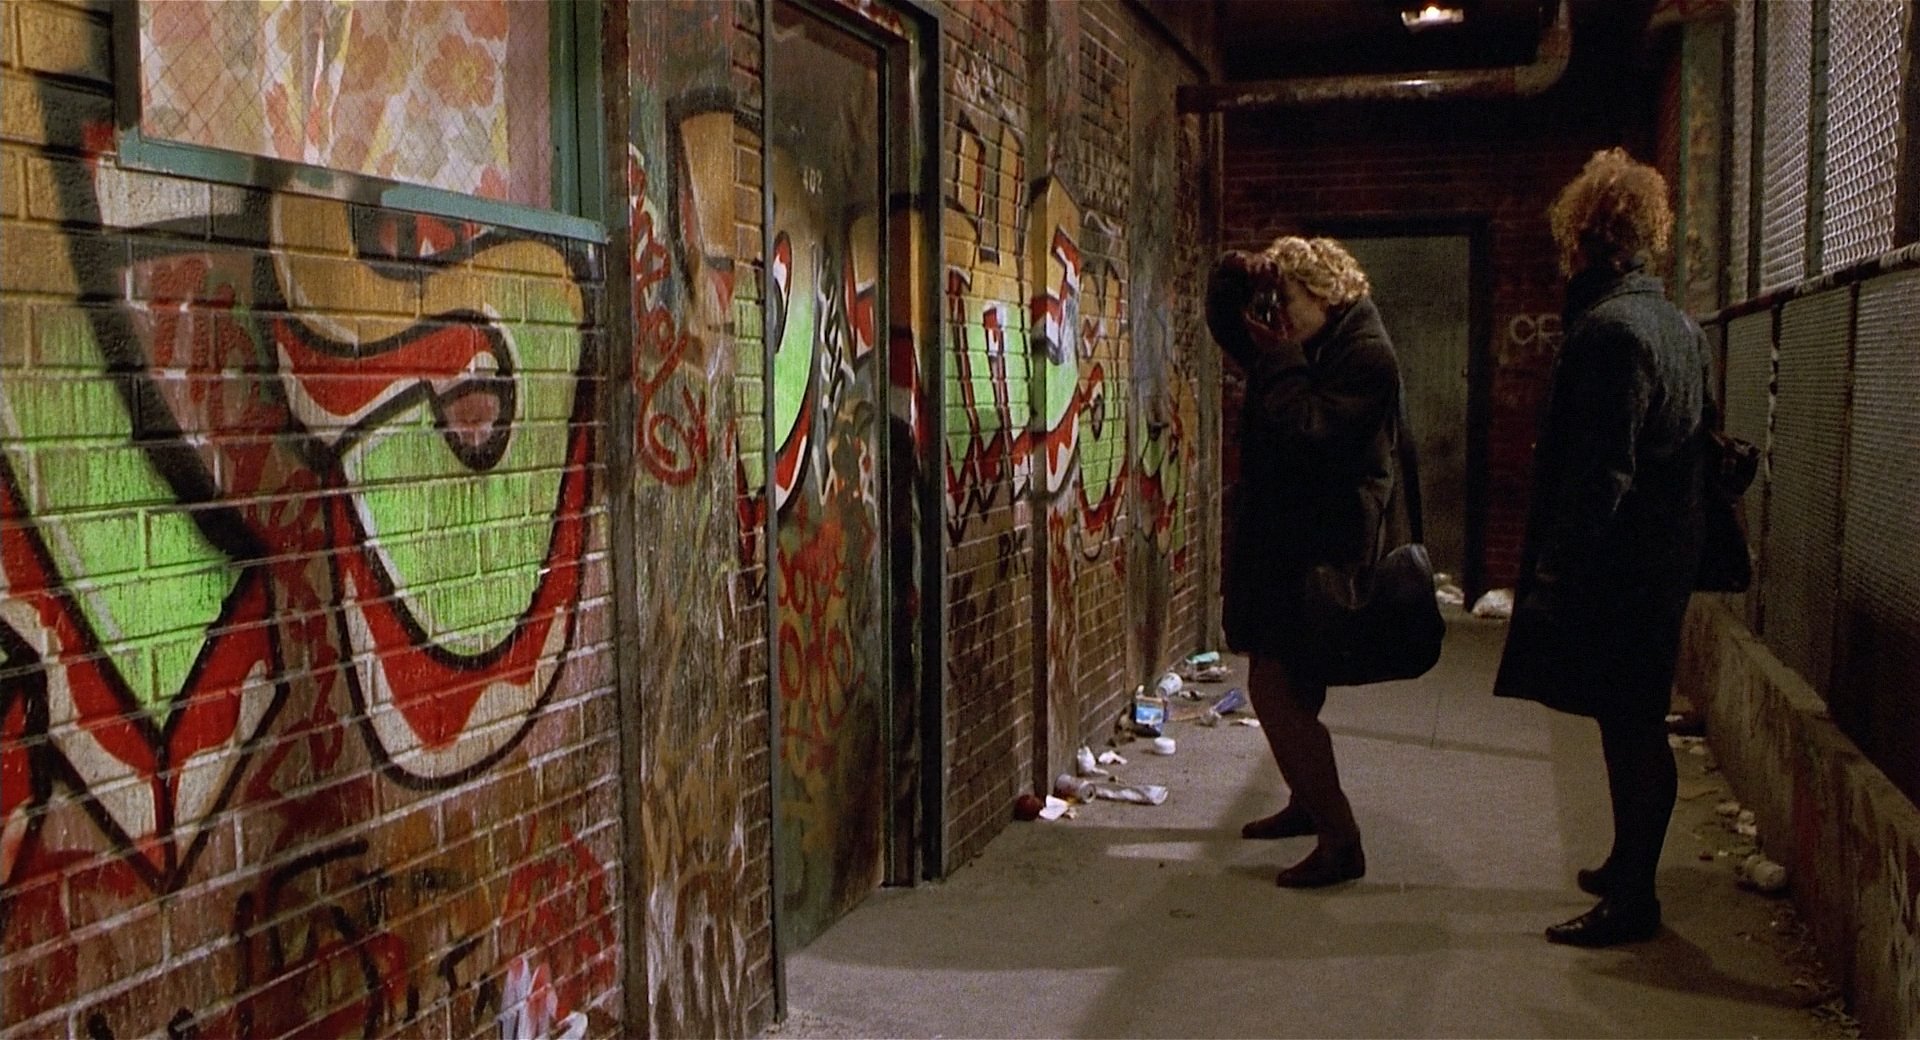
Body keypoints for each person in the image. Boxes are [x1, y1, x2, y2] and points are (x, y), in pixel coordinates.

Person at [1494, 148, 1707, 946]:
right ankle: (1627, 868)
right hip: (1662, 554)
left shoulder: (1611, 331)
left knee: (1631, 726)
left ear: (1582, 236)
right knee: (1632, 720)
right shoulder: (1677, 326)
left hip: (1624, 563)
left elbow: (1602, 471)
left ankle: (1634, 898)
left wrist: (1559, 567)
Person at [1205, 236, 1407, 888]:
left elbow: (1310, 433)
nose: (1279, 317)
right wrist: (1235, 275)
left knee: (1274, 687)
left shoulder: (1365, 355)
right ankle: (1306, 801)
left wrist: (1281, 355)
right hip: (1290, 541)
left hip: (1322, 546)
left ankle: (1340, 840)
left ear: (1323, 295)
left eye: (1287, 301)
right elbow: (1227, 326)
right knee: (1295, 682)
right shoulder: (1317, 341)